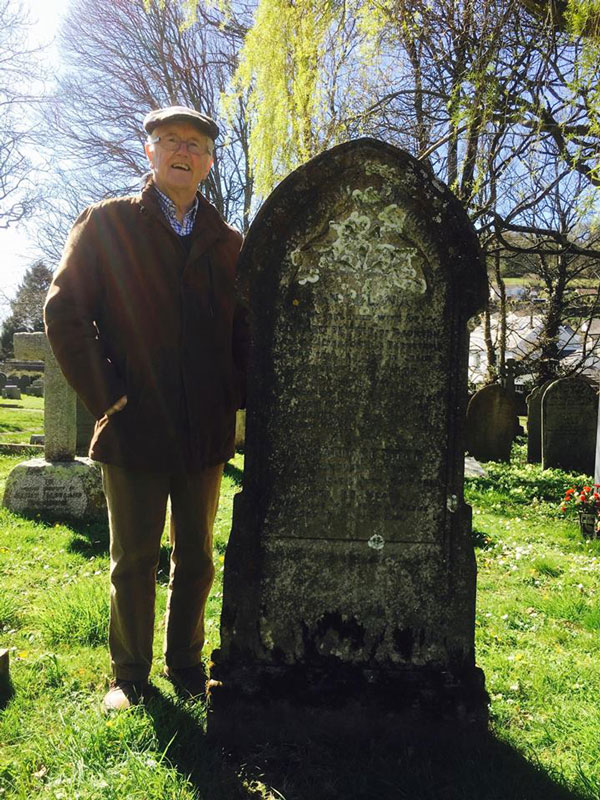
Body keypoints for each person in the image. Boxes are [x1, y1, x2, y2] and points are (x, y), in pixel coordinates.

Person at [44, 106, 248, 711]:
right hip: (134, 424)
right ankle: (129, 675)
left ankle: (185, 661)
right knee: (133, 558)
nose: (182, 151)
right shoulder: (107, 225)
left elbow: (247, 332)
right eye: (170, 141)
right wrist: (107, 393)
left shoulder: (229, 243)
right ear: (150, 153)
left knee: (197, 557)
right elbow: (65, 311)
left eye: (196, 144)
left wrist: (234, 394)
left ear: (209, 163)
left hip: (203, 429)